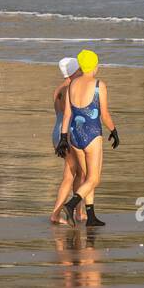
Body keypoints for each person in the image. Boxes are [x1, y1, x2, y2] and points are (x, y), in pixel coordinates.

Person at [55, 49, 119, 229]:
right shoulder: (99, 85)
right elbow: (104, 114)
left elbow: (67, 114)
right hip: (92, 135)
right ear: (95, 65)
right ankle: (71, 204)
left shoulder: (72, 85)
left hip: (74, 135)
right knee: (94, 179)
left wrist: (63, 138)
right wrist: (114, 131)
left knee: (87, 178)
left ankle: (90, 216)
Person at [50, 56, 85, 224]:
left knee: (76, 173)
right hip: (68, 133)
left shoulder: (58, 90)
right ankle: (58, 213)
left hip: (56, 133)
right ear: (75, 71)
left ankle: (77, 211)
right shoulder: (73, 88)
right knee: (73, 175)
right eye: (80, 69)